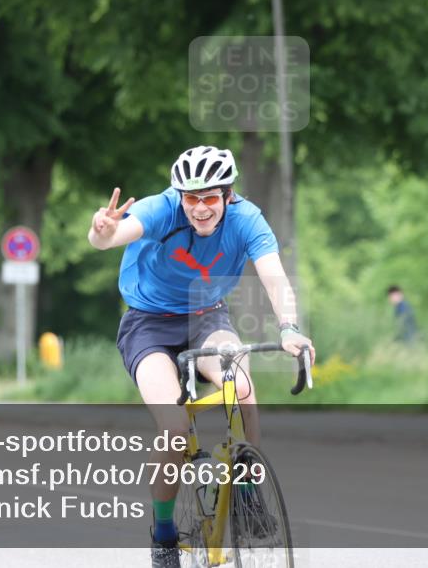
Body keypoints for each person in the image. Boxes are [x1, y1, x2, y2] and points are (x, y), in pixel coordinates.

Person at [87, 145, 315, 568]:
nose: (200, 208)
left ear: (228, 195)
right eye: (191, 198)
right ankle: (163, 532)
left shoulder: (248, 218)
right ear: (180, 197)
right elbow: (112, 237)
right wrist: (101, 231)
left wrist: (289, 329)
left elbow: (273, 274)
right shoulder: (162, 209)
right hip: (148, 325)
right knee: (174, 430)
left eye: (210, 197)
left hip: (207, 316)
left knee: (242, 388)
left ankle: (248, 489)